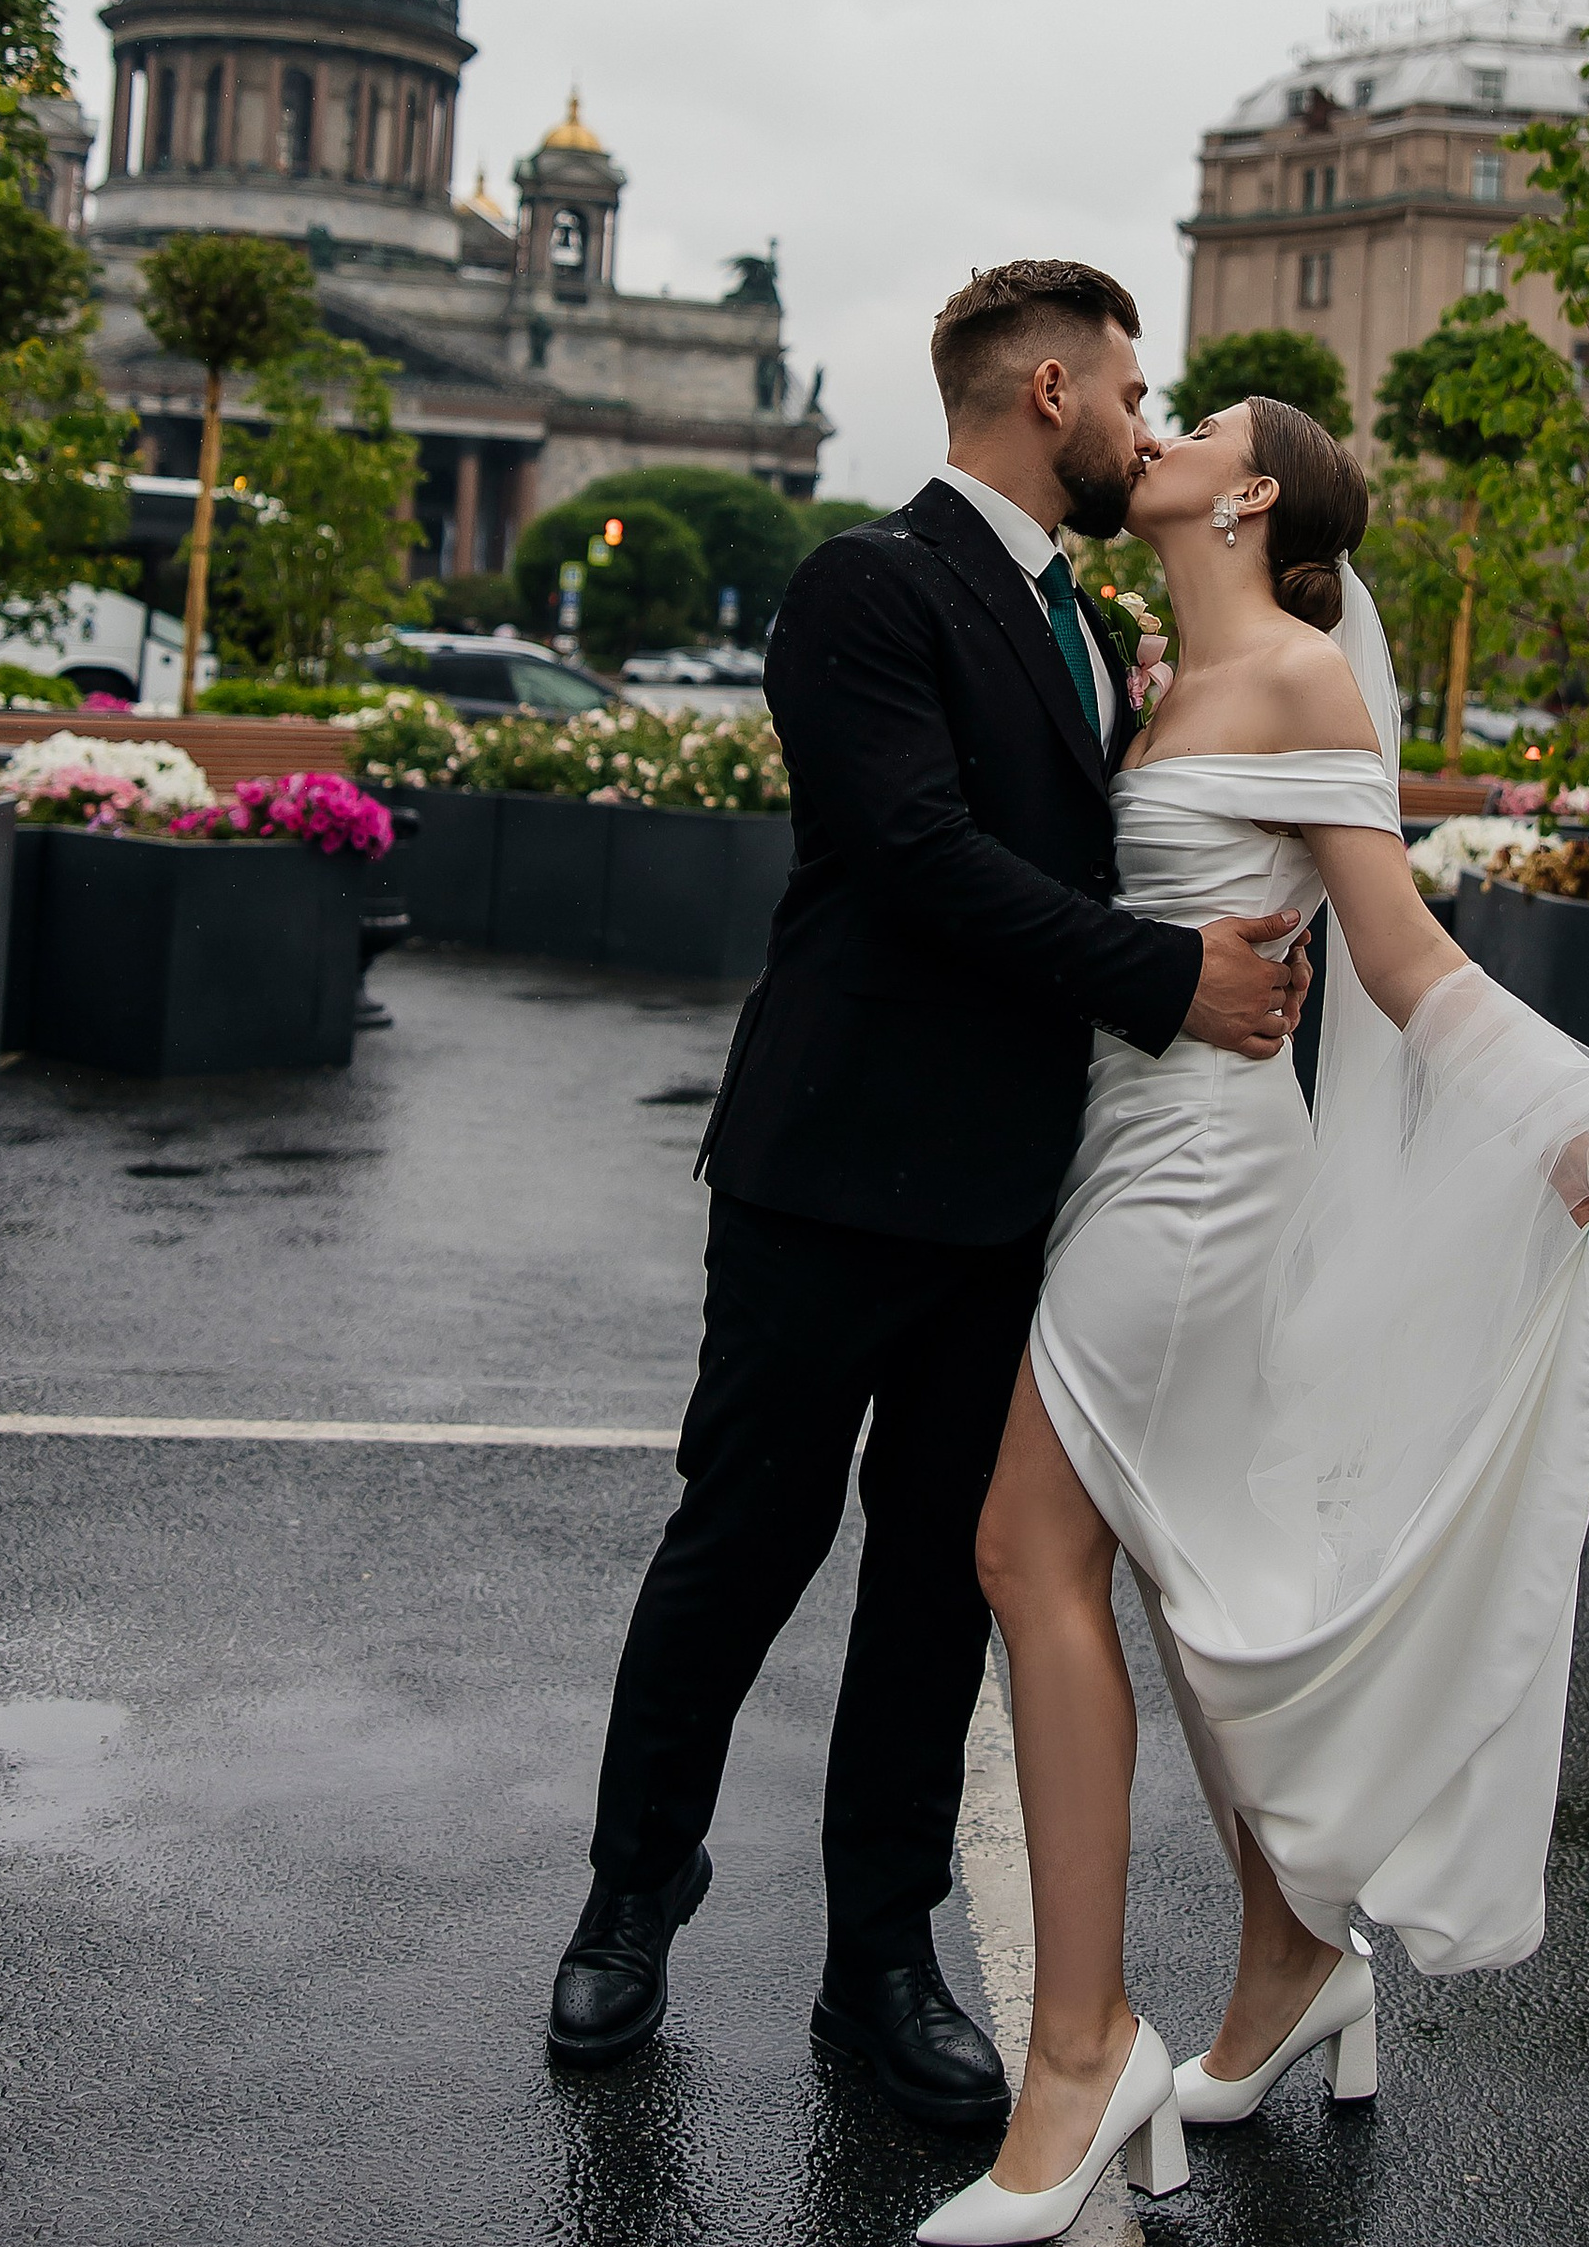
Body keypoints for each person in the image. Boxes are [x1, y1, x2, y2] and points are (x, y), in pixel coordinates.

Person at [916, 395, 1589, 2247]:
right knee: (1198, 1571)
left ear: (1250, 494)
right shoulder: (1164, 672)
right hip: (1121, 1146)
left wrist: (1580, 1122)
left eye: (1190, 426)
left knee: (1031, 1547)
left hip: (1197, 1178)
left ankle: (1081, 2062)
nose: (1158, 432)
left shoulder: (1291, 684)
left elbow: (1406, 954)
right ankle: (1293, 1955)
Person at [549, 264, 1313, 2134]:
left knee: (930, 1597)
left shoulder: (1096, 627)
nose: (1147, 420)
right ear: (1046, 390)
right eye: (1132, 387)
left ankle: (879, 1962)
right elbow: (910, 853)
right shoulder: (864, 586)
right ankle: (630, 1899)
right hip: (831, 1174)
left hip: (1006, 1199)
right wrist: (1163, 984)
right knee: (740, 1544)